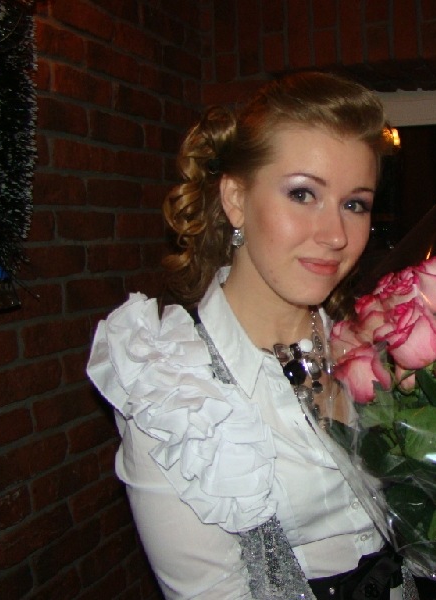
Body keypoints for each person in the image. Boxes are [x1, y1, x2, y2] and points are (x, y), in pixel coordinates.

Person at [87, 71, 413, 600]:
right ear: (236, 199)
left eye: (355, 204)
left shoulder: (373, 344)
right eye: (303, 193)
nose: (336, 235)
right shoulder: (174, 393)